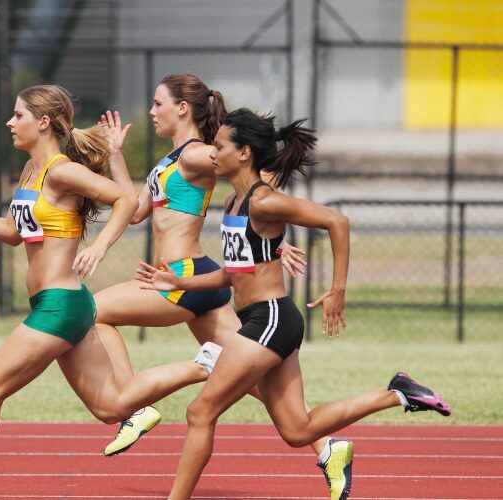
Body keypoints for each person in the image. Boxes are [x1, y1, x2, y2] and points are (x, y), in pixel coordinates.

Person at [0, 84, 222, 500]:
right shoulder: (31, 172)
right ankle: (204, 364)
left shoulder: (62, 170)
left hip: (60, 305)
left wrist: (98, 246)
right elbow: (12, 232)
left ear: (42, 123)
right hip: (61, 305)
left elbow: (122, 199)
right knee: (111, 408)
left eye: (18, 115)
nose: (10, 122)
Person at [136, 108, 452, 500]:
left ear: (245, 152)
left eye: (219, 146)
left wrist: (337, 290)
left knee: (200, 412)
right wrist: (180, 281)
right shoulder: (234, 203)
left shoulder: (264, 202)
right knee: (297, 431)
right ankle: (399, 393)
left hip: (269, 319)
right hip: (263, 319)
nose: (212, 153)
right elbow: (235, 274)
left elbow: (337, 222)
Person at [94, 74, 354, 497]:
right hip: (200, 277)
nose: (151, 111)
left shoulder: (197, 154)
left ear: (182, 108)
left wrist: (274, 240)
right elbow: (137, 210)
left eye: (158, 103)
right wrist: (116, 156)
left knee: (94, 311)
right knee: (248, 379)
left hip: (185, 275)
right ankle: (328, 448)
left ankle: (136, 407)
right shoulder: (173, 157)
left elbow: (255, 176)